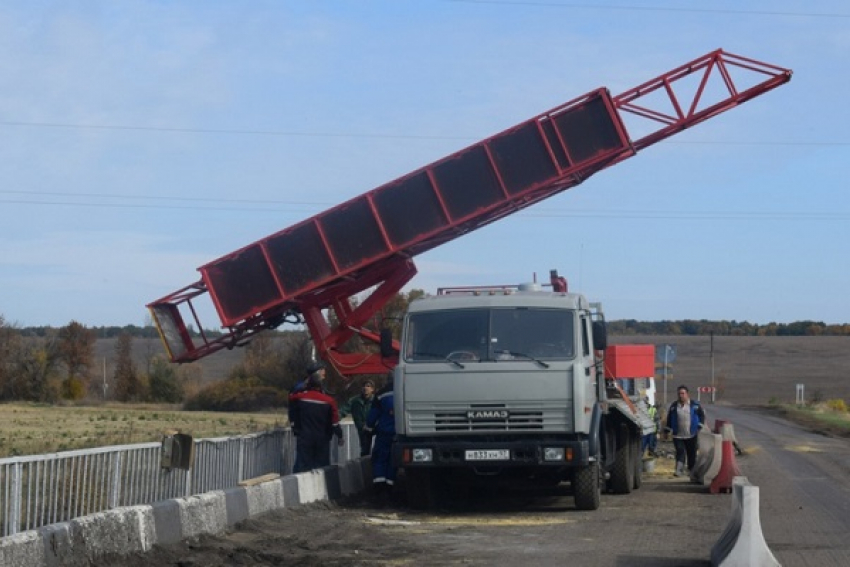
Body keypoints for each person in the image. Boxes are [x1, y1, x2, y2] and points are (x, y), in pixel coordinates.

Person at [288, 371, 344, 473]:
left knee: (302, 468)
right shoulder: (329, 401)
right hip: (322, 440)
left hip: (304, 438)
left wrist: (302, 388)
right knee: (322, 469)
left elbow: (291, 397)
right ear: (321, 386)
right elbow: (335, 423)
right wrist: (340, 436)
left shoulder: (300, 397)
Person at [364, 372, 396, 501]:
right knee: (392, 461)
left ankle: (379, 488)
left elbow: (373, 416)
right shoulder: (407, 391)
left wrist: (368, 430)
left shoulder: (381, 394)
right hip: (399, 435)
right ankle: (390, 487)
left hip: (383, 433)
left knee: (379, 460)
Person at [666, 384, 706, 477]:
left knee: (691, 453)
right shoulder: (674, 406)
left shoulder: (695, 405)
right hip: (678, 435)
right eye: (679, 394)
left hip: (691, 434)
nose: (681, 395)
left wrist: (700, 425)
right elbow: (669, 418)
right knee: (680, 452)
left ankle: (691, 471)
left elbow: (701, 415)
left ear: (687, 394)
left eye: (683, 393)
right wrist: (667, 430)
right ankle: (679, 470)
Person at [340, 379, 375, 457]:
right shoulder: (355, 401)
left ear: (372, 389)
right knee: (365, 451)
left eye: (368, 386)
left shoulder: (376, 401)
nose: (365, 388)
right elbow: (343, 411)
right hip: (362, 431)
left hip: (375, 429)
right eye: (364, 386)